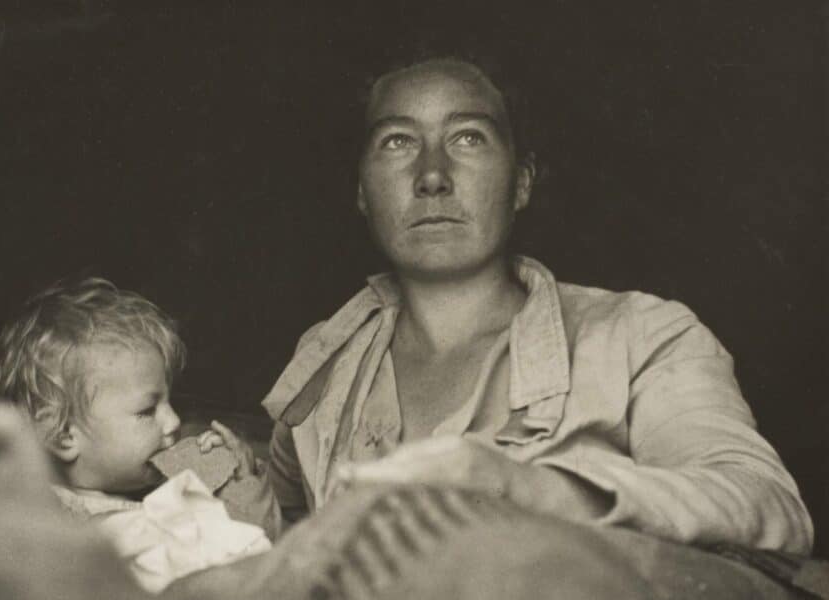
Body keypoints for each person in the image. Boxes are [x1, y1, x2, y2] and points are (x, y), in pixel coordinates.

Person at [263, 55, 813, 554]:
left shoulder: (640, 336)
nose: (432, 176)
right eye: (398, 142)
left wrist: (525, 487)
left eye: (468, 138)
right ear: (362, 191)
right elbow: (288, 521)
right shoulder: (327, 356)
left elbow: (768, 504)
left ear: (521, 182)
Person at [0, 277, 278, 590]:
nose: (174, 421)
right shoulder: (116, 539)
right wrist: (244, 492)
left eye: (169, 402)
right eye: (147, 411)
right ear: (63, 434)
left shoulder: (49, 501)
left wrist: (221, 478)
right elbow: (253, 560)